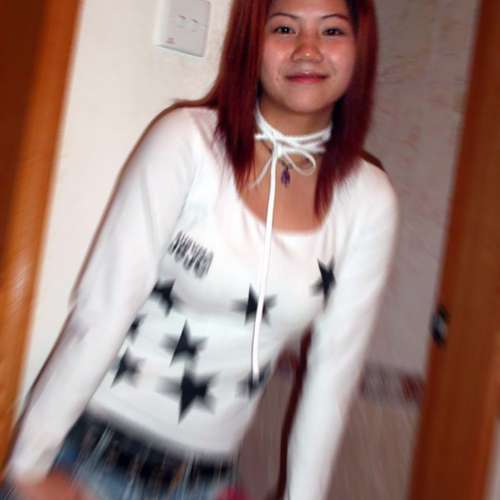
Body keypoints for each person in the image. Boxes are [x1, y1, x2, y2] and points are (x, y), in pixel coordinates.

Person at [1, 0, 398, 498]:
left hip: (206, 483)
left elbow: (333, 376)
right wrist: (30, 464)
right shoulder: (186, 142)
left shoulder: (369, 200)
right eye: (284, 28)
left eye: (332, 30)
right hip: (90, 459)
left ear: (360, 48)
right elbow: (103, 308)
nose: (307, 49)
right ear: (252, 43)